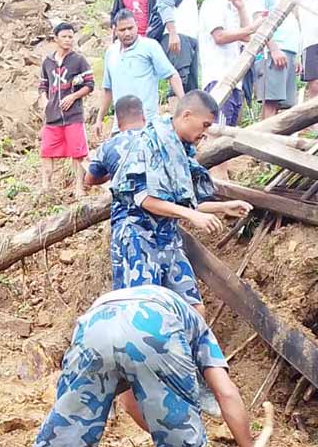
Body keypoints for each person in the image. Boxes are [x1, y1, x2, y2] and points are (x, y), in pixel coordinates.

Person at [19, 284, 266, 447]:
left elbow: (129, 402)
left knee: (64, 432)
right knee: (180, 445)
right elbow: (226, 392)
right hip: (154, 326)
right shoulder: (196, 327)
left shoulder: (145, 298)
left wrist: (157, 431)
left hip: (94, 326)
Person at [108, 90, 252, 318]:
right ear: (186, 115)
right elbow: (144, 198)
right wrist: (192, 216)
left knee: (194, 309)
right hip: (137, 236)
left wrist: (222, 207)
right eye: (204, 125)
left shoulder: (179, 150)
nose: (204, 133)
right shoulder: (148, 143)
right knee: (144, 313)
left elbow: (181, 201)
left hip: (167, 237)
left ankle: (189, 354)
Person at [95, 9, 184, 134]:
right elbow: (107, 89)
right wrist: (99, 119)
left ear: (136, 26)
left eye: (130, 28)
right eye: (122, 30)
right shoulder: (111, 52)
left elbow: (171, 75)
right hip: (120, 126)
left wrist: (184, 102)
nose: (127, 33)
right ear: (115, 30)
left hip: (146, 124)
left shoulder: (149, 47)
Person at [198, 0, 260, 130]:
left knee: (228, 133)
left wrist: (241, 7)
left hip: (233, 80)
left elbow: (247, 38)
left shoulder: (230, 7)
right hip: (218, 79)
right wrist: (252, 28)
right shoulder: (213, 4)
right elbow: (219, 36)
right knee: (218, 131)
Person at [37, 22, 94, 197]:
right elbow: (43, 85)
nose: (68, 40)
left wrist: (73, 96)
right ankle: (46, 187)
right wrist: (44, 100)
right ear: (56, 39)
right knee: (47, 151)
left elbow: (90, 84)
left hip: (73, 115)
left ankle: (79, 187)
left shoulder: (79, 60)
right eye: (65, 37)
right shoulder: (48, 61)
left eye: (71, 37)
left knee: (78, 153)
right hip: (52, 116)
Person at [247, 0, 302, 119]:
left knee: (281, 104)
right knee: (270, 101)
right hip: (274, 52)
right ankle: (263, 140)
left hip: (289, 51)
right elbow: (259, 22)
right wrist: (274, 49)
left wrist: (297, 55)